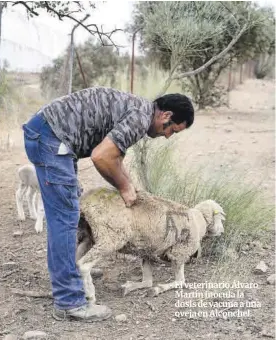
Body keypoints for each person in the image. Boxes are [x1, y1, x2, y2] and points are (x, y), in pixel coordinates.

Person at [23, 86, 194, 322]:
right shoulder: (139, 118)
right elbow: (101, 156)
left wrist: (129, 185)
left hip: (49, 136)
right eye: (171, 131)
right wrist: (124, 187)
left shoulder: (139, 111)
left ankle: (70, 275)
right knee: (63, 217)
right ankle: (68, 301)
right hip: (50, 138)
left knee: (69, 214)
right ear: (165, 115)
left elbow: (113, 158)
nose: (167, 136)